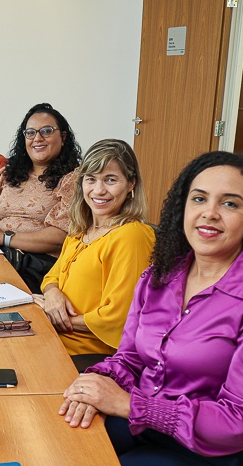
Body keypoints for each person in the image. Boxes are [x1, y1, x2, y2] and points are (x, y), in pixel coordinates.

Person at [60, 152, 243, 466]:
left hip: (218, 457)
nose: (210, 213)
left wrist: (130, 405)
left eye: (230, 204)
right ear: (183, 208)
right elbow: (130, 358)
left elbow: (242, 419)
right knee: (61, 440)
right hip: (146, 428)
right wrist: (94, 386)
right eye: (199, 199)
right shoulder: (159, 276)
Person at [34, 139, 154, 358]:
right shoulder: (82, 229)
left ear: (131, 184)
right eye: (91, 179)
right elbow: (52, 277)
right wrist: (52, 296)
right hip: (52, 339)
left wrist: (57, 317)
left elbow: (118, 319)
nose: (99, 190)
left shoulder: (131, 236)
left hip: (90, 355)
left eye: (110, 180)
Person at [0, 102, 81, 293]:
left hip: (38, 267)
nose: (38, 138)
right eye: (31, 133)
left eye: (47, 131)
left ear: (63, 136)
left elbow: (60, 235)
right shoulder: (8, 173)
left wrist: (6, 238)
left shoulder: (73, 179)